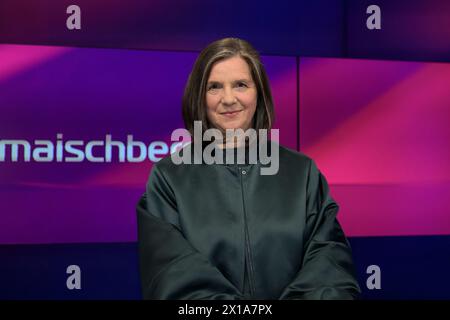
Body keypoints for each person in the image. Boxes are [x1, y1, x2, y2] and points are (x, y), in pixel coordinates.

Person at [136, 37, 361, 300]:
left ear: (259, 93)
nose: (229, 98)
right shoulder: (169, 177)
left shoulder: (302, 173)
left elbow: (329, 266)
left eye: (240, 85)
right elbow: (174, 279)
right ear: (199, 95)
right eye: (214, 87)